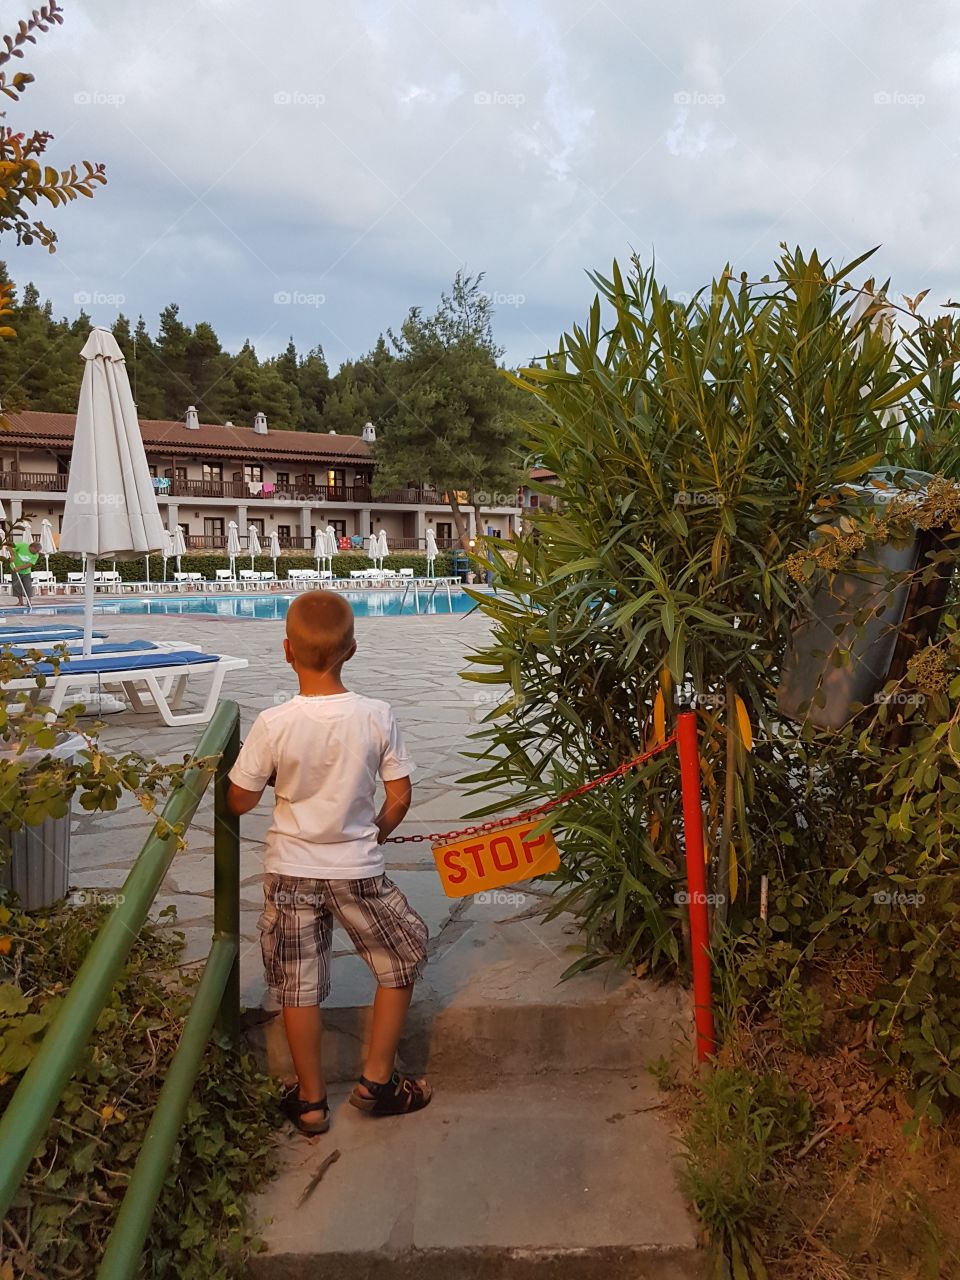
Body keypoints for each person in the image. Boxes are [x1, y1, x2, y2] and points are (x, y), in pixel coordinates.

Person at [226, 591, 430, 1136]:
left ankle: (312, 1102)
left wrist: (273, 778)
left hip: (290, 870)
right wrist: (377, 832)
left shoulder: (273, 723)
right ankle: (377, 1081)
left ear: (286, 651)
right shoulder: (376, 715)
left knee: (298, 984)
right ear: (353, 651)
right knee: (403, 955)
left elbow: (238, 801)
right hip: (358, 871)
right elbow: (400, 795)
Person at [9, 537, 41, 604]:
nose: (38, 552)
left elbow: (29, 564)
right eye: (37, 550)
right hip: (14, 569)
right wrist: (12, 556)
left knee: (28, 586)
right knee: (16, 585)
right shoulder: (22, 545)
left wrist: (19, 568)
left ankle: (29, 601)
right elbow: (10, 548)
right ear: (32, 547)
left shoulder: (36, 555)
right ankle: (20, 602)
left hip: (26, 572)